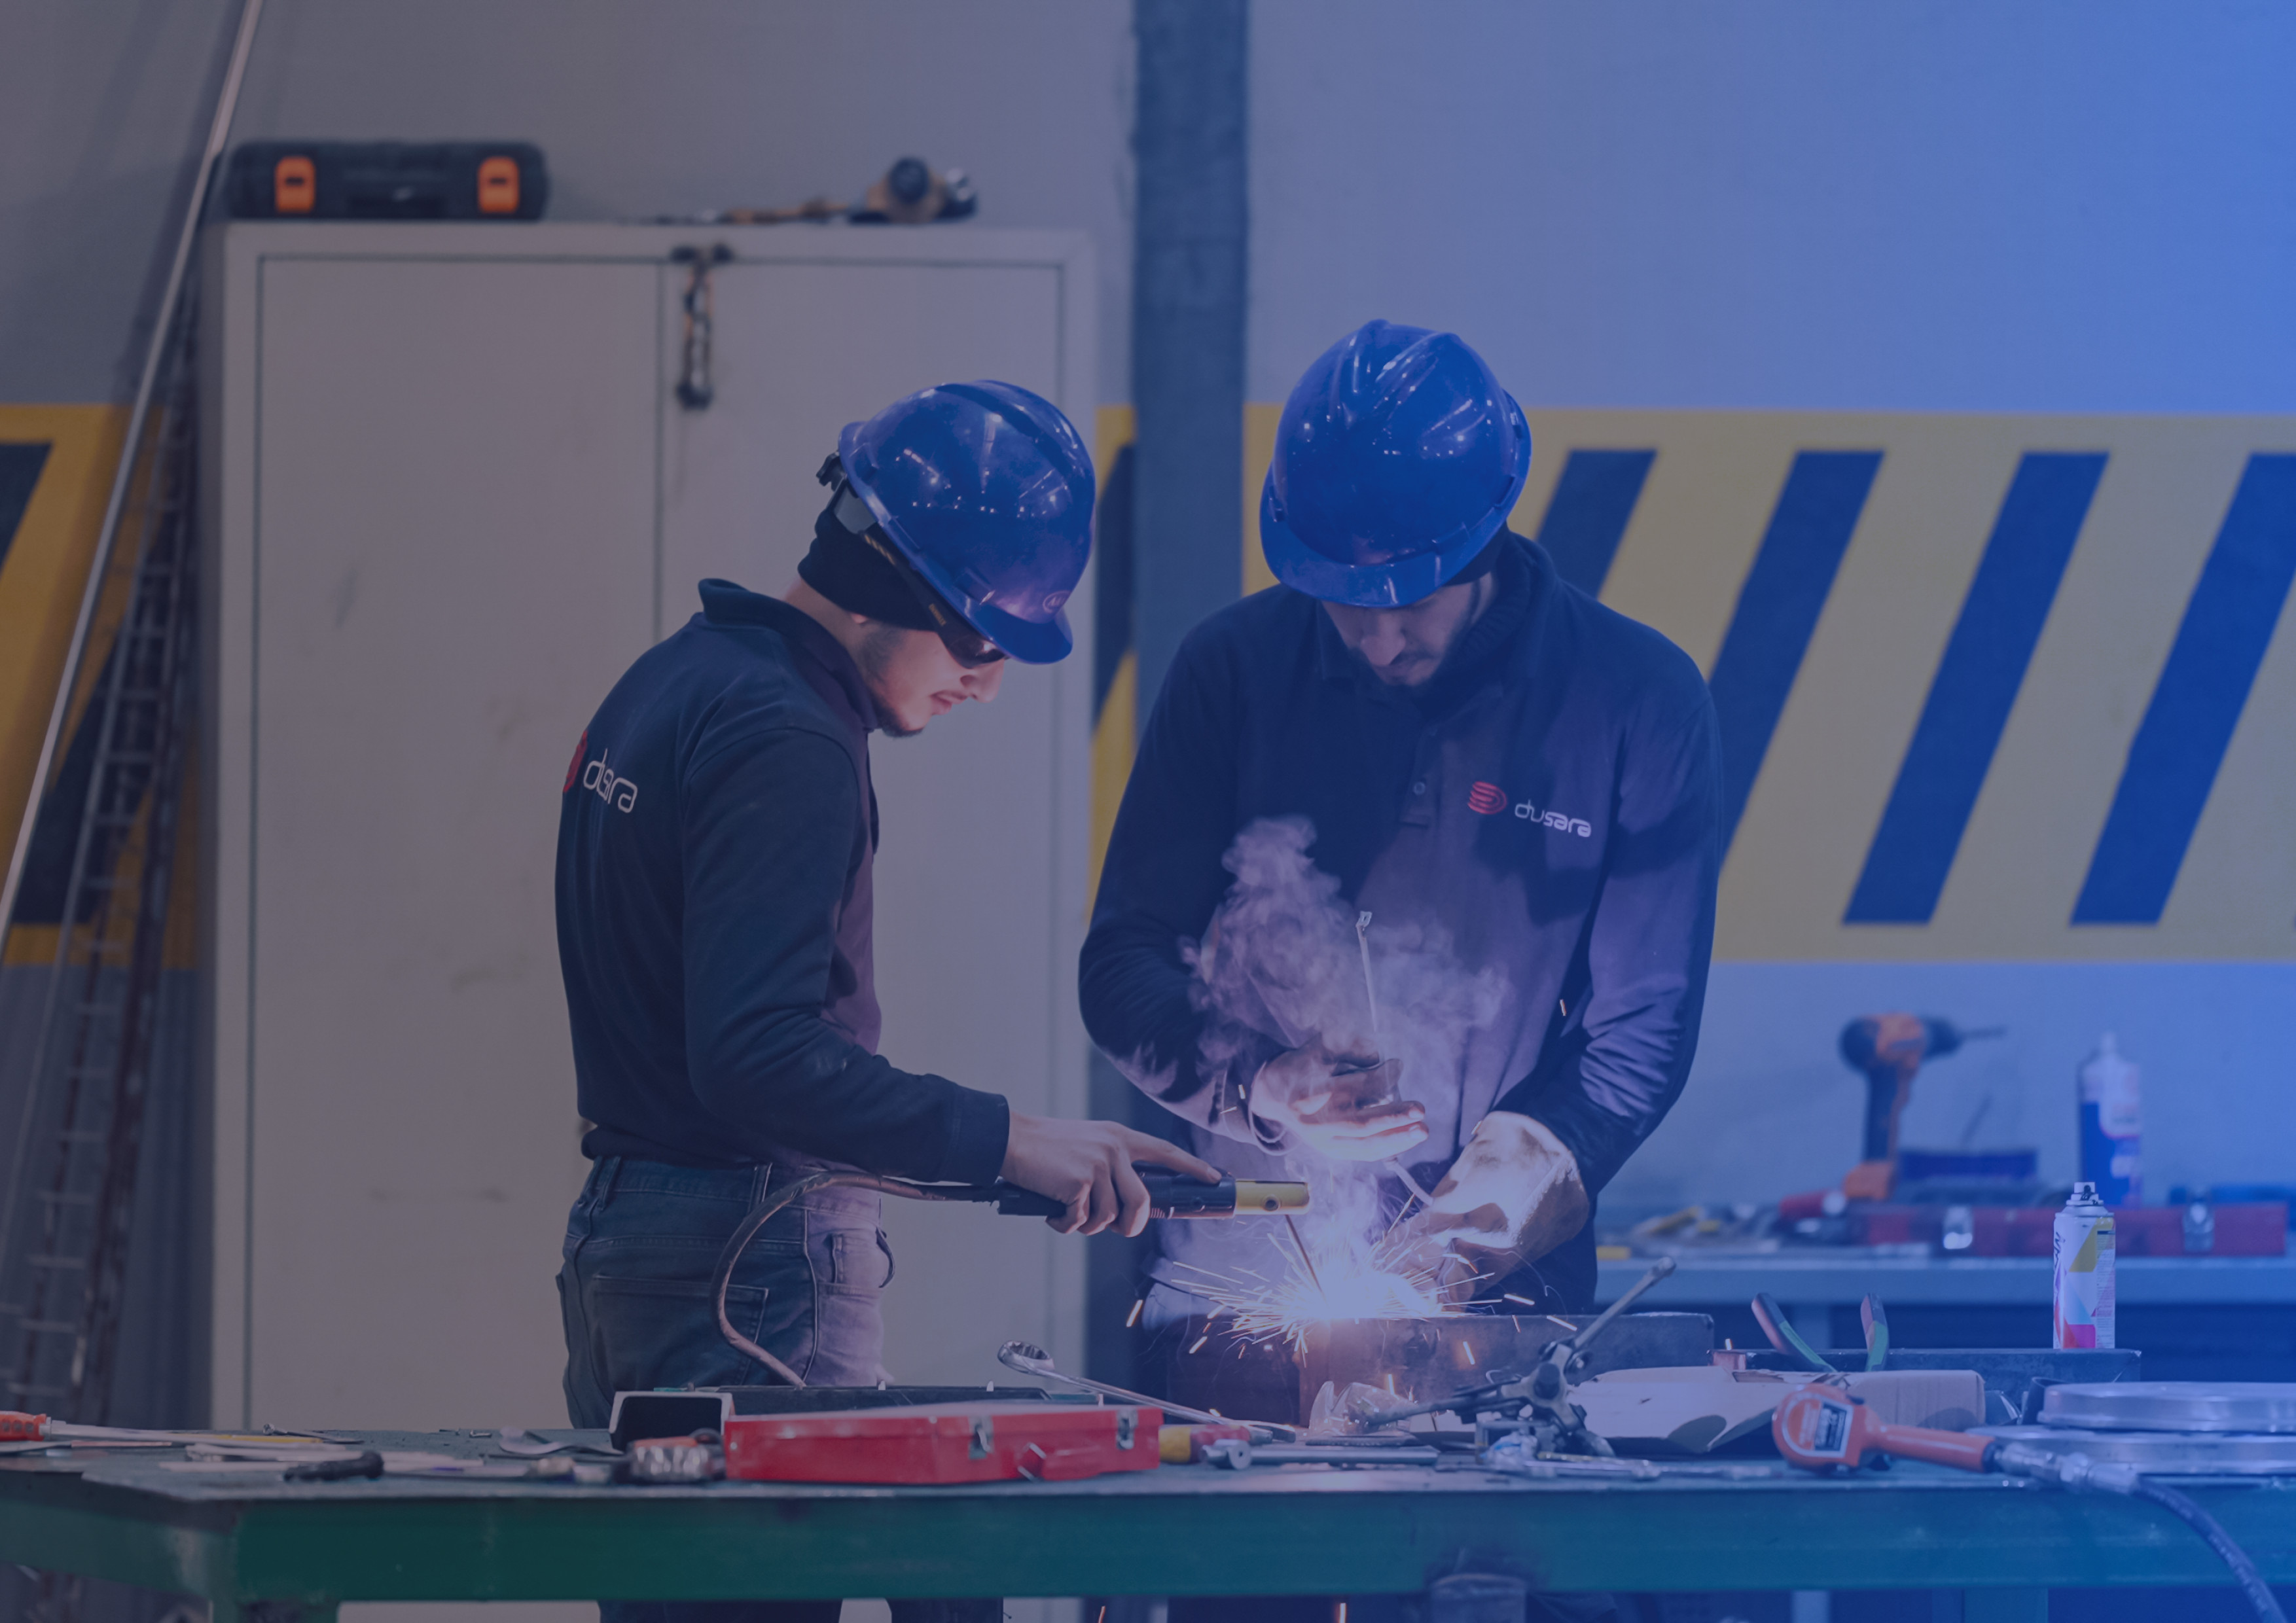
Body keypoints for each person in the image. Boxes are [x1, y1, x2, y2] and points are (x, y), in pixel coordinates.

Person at [556, 380, 1213, 1623]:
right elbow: (753, 1056)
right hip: (736, 1272)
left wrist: (1010, 1161)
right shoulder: (789, 735)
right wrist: (1017, 1136)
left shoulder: (673, 683)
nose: (987, 684)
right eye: (979, 642)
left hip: (638, 1251)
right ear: (900, 587)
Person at [1081, 321, 1722, 1346]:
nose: (1377, 638)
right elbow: (1121, 965)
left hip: (1503, 1308)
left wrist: (1500, 1197)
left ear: (1485, 541)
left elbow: (1640, 1029)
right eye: (1340, 602)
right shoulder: (1233, 671)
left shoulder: (1636, 702)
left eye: (1411, 602)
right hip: (1235, 1281)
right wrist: (1261, 1084)